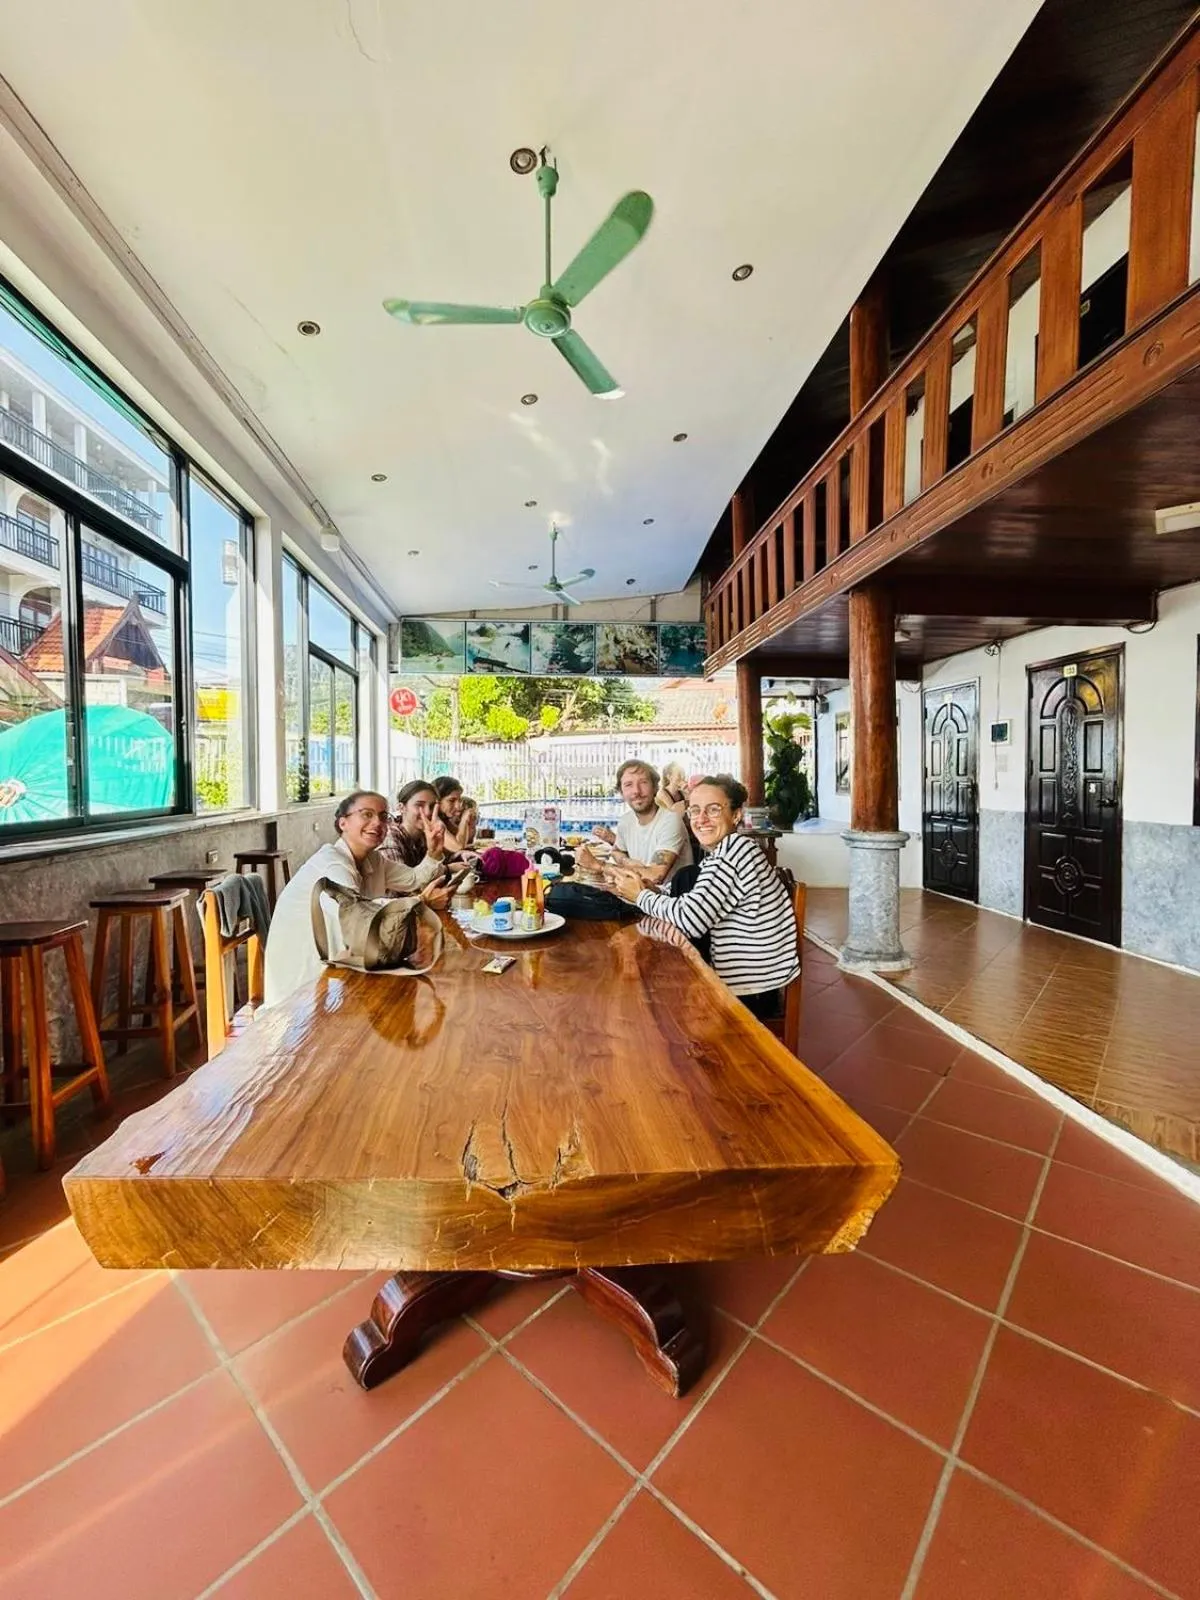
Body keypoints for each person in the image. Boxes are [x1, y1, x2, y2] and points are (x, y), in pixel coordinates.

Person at [605, 774, 798, 1018]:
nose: (701, 819)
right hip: (755, 980)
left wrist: (641, 896)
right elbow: (698, 900)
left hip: (750, 991)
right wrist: (650, 891)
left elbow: (691, 920)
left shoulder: (732, 854)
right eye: (695, 811)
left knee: (649, 1001)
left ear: (736, 814)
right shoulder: (731, 849)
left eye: (714, 810)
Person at [263, 789, 454, 1007]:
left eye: (383, 817)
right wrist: (421, 902)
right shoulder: (333, 863)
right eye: (366, 814)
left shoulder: (374, 859)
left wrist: (434, 852)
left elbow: (413, 879)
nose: (377, 823)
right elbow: (358, 916)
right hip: (304, 984)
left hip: (343, 963)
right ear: (343, 823)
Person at [579, 758, 692, 887]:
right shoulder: (626, 821)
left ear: (655, 787)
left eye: (643, 783)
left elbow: (655, 876)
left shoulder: (670, 821)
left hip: (665, 902)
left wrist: (599, 865)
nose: (636, 791)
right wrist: (628, 861)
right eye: (628, 785)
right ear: (621, 792)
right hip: (636, 896)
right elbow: (616, 851)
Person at [380, 779, 441, 867]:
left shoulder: (423, 835)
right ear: (401, 808)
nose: (428, 812)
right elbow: (403, 880)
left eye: (432, 806)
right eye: (419, 805)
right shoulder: (390, 838)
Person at [432, 776, 477, 854]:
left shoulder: (444, 819)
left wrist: (471, 823)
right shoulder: (433, 819)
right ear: (437, 800)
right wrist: (464, 820)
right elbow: (458, 847)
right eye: (451, 800)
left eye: (459, 800)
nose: (458, 806)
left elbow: (465, 839)